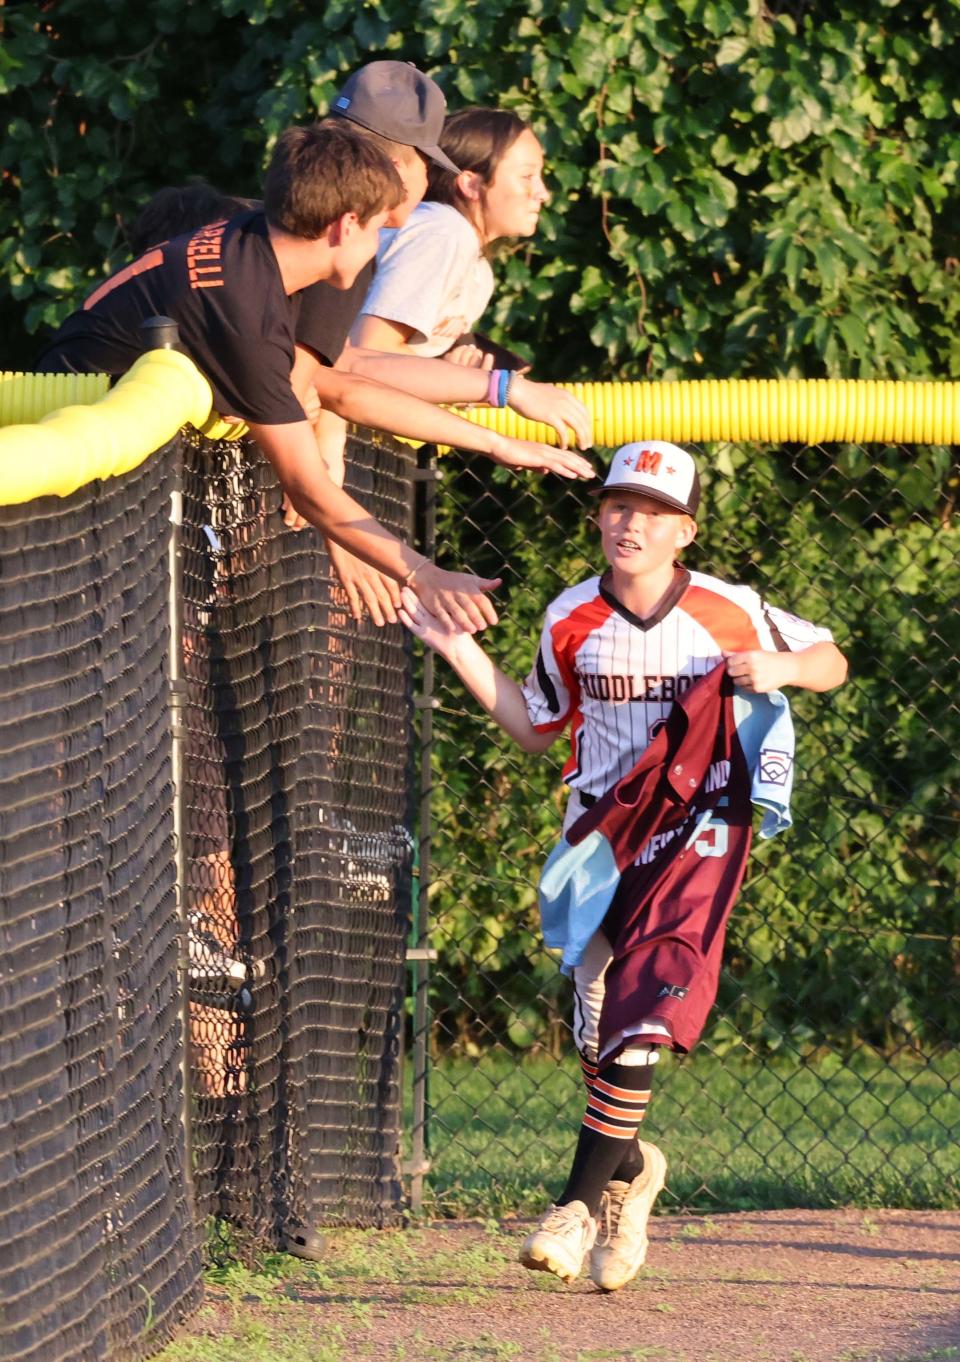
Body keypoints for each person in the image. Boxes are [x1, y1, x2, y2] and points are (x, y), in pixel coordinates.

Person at [400, 440, 848, 1290]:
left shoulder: (728, 606)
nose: (628, 521)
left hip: (700, 832)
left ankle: (570, 1210)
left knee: (643, 1014)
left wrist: (783, 666)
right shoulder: (571, 615)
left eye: (650, 511)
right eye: (616, 505)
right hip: (600, 837)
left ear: (684, 530)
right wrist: (454, 649)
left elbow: (830, 659)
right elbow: (537, 729)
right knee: (601, 1033)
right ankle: (631, 1171)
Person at [34, 119, 570, 635]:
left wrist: (495, 442)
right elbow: (309, 489)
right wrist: (424, 574)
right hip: (75, 475)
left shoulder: (263, 243)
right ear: (345, 226)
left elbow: (344, 387)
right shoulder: (241, 313)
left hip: (124, 473)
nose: (384, 245)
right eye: (381, 230)